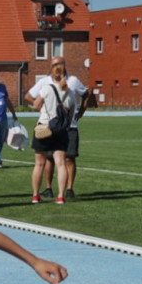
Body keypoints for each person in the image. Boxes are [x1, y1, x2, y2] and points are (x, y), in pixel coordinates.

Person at [29, 67, 87, 200]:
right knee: (61, 163)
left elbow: (36, 105)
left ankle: (35, 195)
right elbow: (71, 114)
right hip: (60, 131)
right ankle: (61, 196)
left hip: (44, 127)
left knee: (39, 164)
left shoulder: (47, 88)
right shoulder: (70, 93)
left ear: (52, 76)